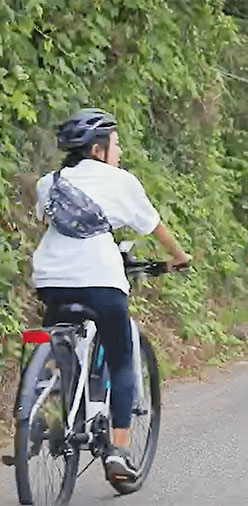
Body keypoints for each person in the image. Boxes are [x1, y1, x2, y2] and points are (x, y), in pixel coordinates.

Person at [33, 108, 191, 479]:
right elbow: (155, 227)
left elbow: (48, 219)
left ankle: (46, 410)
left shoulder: (48, 182)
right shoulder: (121, 182)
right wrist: (180, 258)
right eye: (116, 144)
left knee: (57, 337)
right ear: (97, 151)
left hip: (51, 279)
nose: (119, 152)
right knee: (121, 358)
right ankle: (119, 449)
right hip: (101, 280)